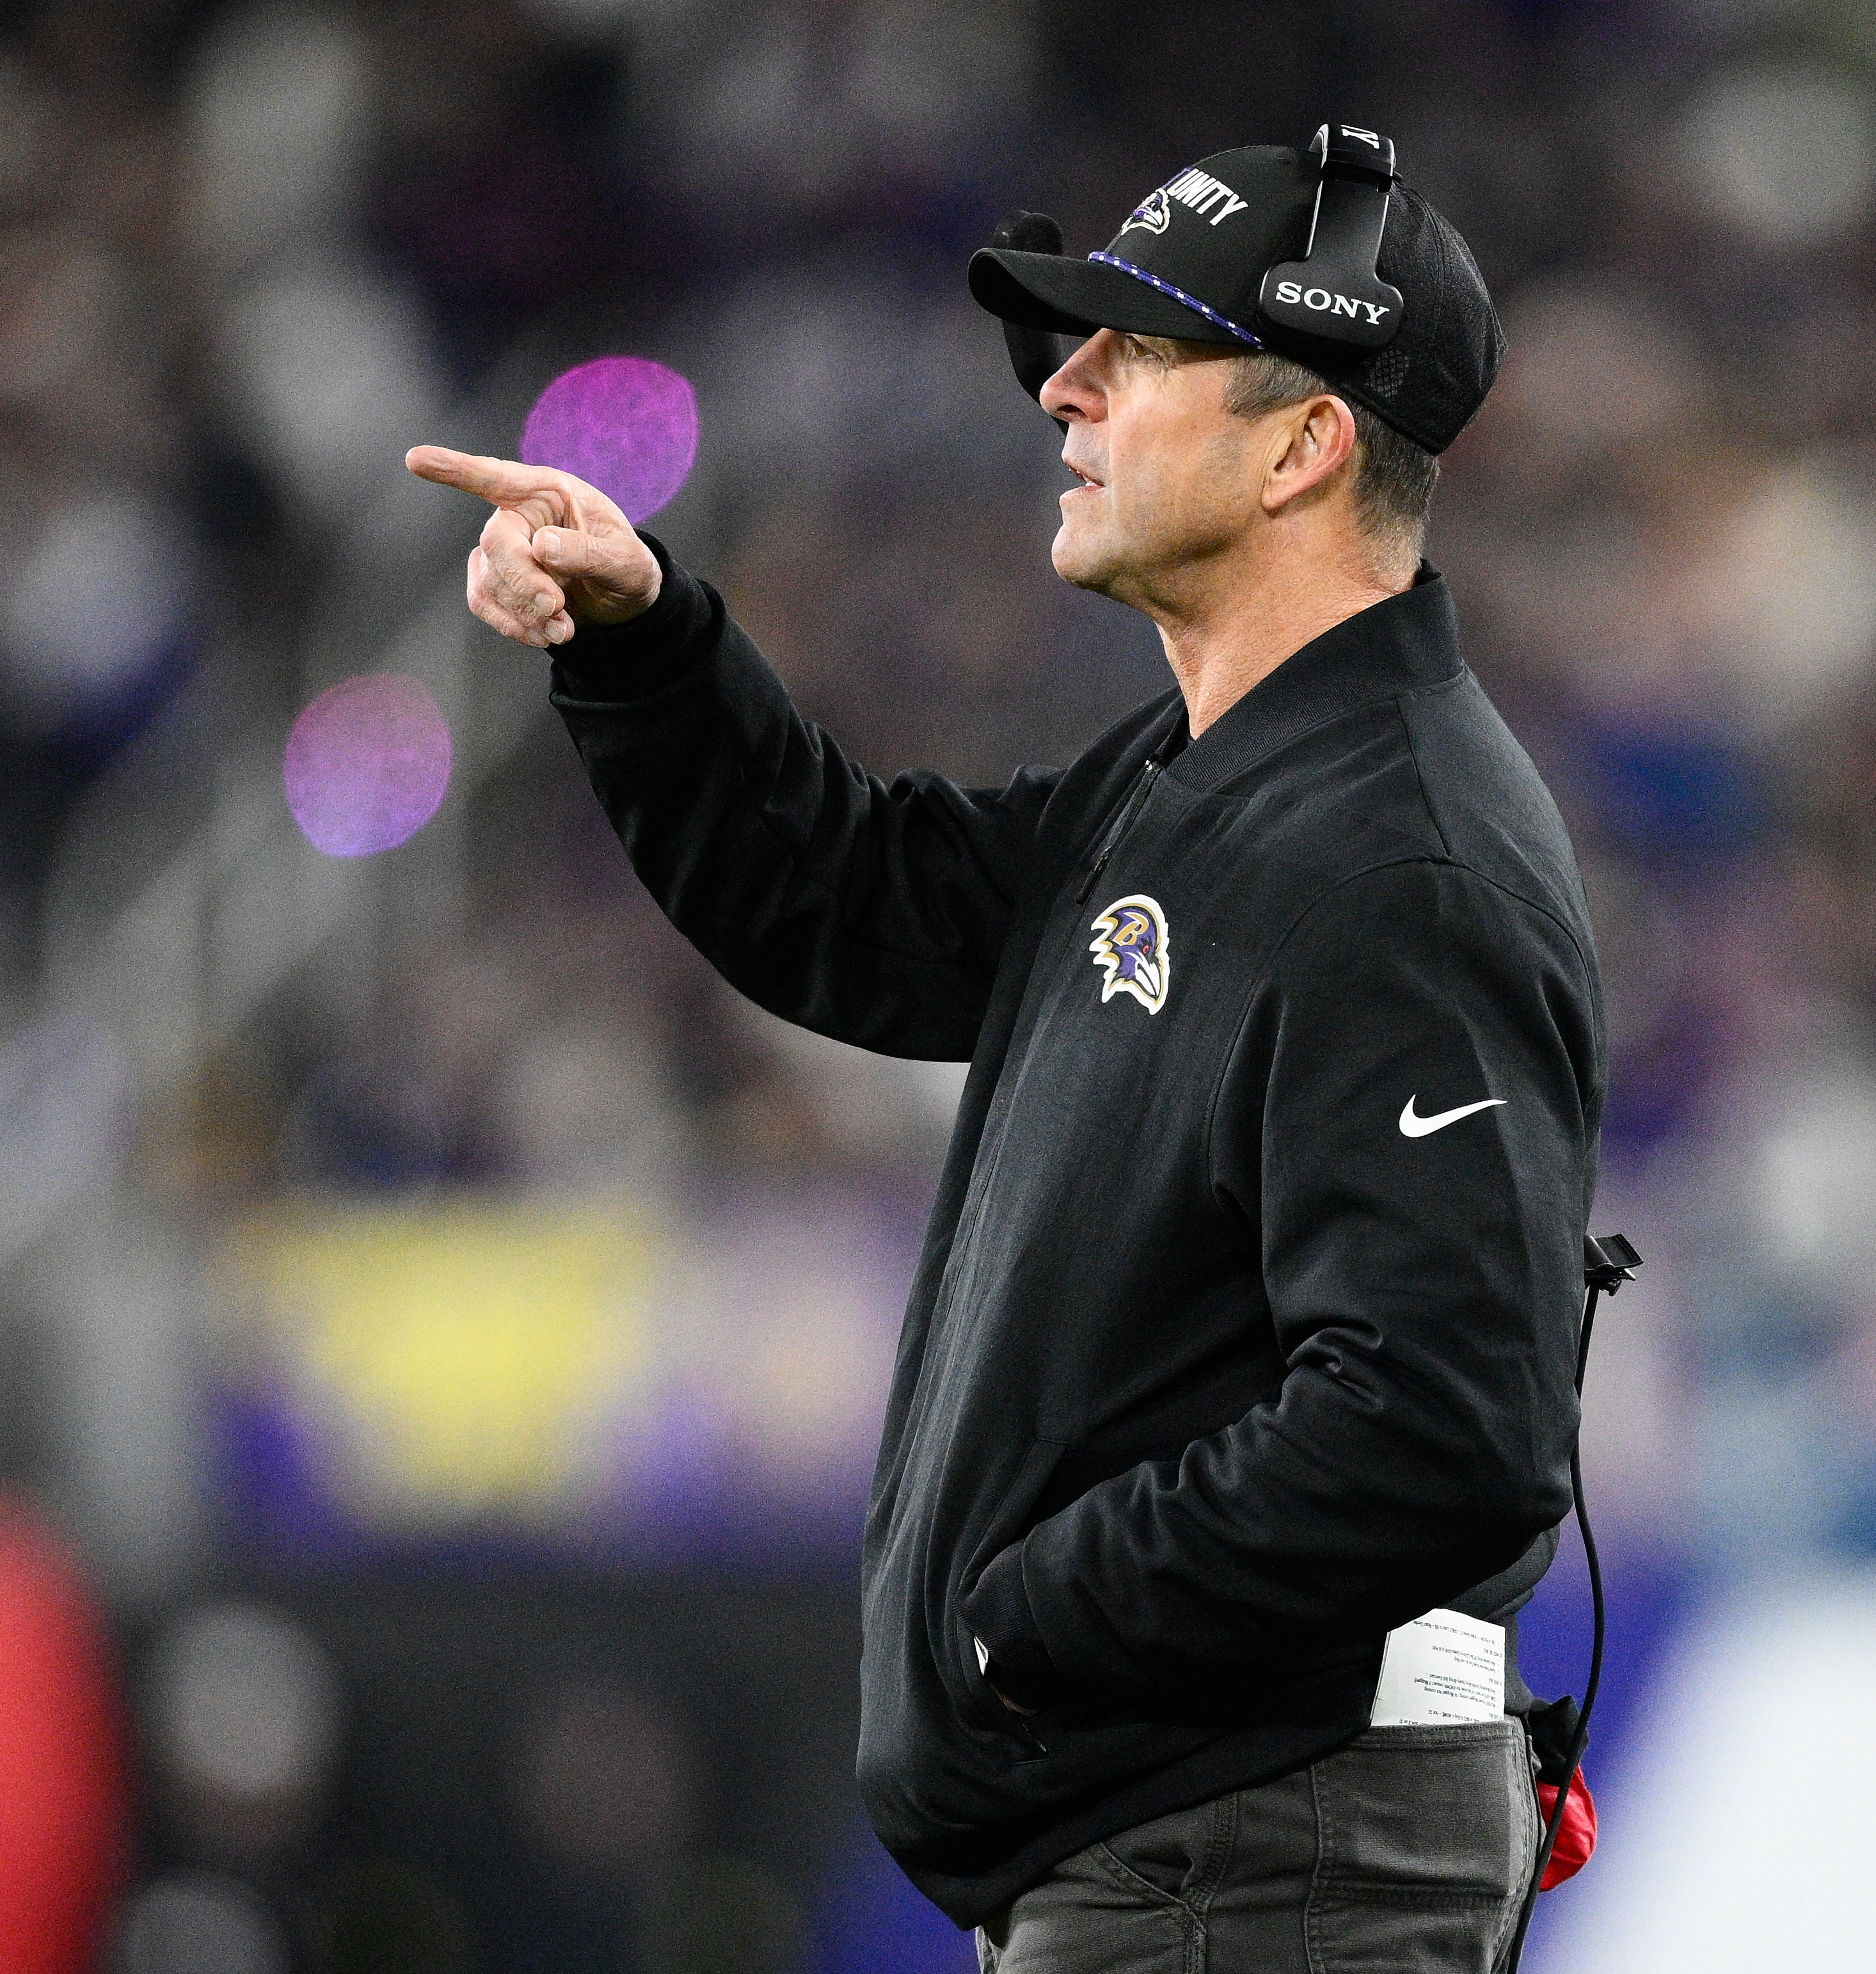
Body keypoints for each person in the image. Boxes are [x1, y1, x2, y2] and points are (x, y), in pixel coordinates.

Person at [410, 127, 1603, 1974]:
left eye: (1134, 352)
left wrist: (1029, 1614)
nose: (1063, 389)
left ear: (1303, 445)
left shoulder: (1396, 853)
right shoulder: (1207, 780)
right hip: (1198, 1858)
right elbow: (856, 910)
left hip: (1256, 1859)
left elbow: (1439, 1430)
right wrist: (648, 645)